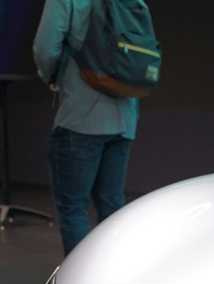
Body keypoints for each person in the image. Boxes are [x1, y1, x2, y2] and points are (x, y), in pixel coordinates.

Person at [32, 0, 140, 255]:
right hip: (125, 115)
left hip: (82, 115)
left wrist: (52, 77)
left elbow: (45, 48)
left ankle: (81, 277)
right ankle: (113, 273)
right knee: (112, 205)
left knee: (73, 208)